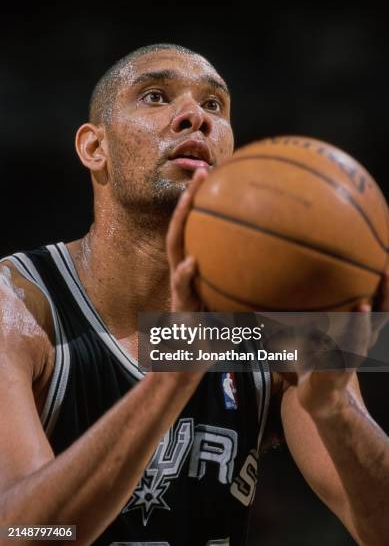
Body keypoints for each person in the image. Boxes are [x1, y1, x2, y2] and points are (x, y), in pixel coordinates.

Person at [0, 43, 388, 546]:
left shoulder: (271, 322)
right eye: (156, 96)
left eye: (214, 106)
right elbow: (20, 533)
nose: (194, 118)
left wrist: (336, 410)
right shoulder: (20, 305)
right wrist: (173, 378)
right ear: (95, 148)